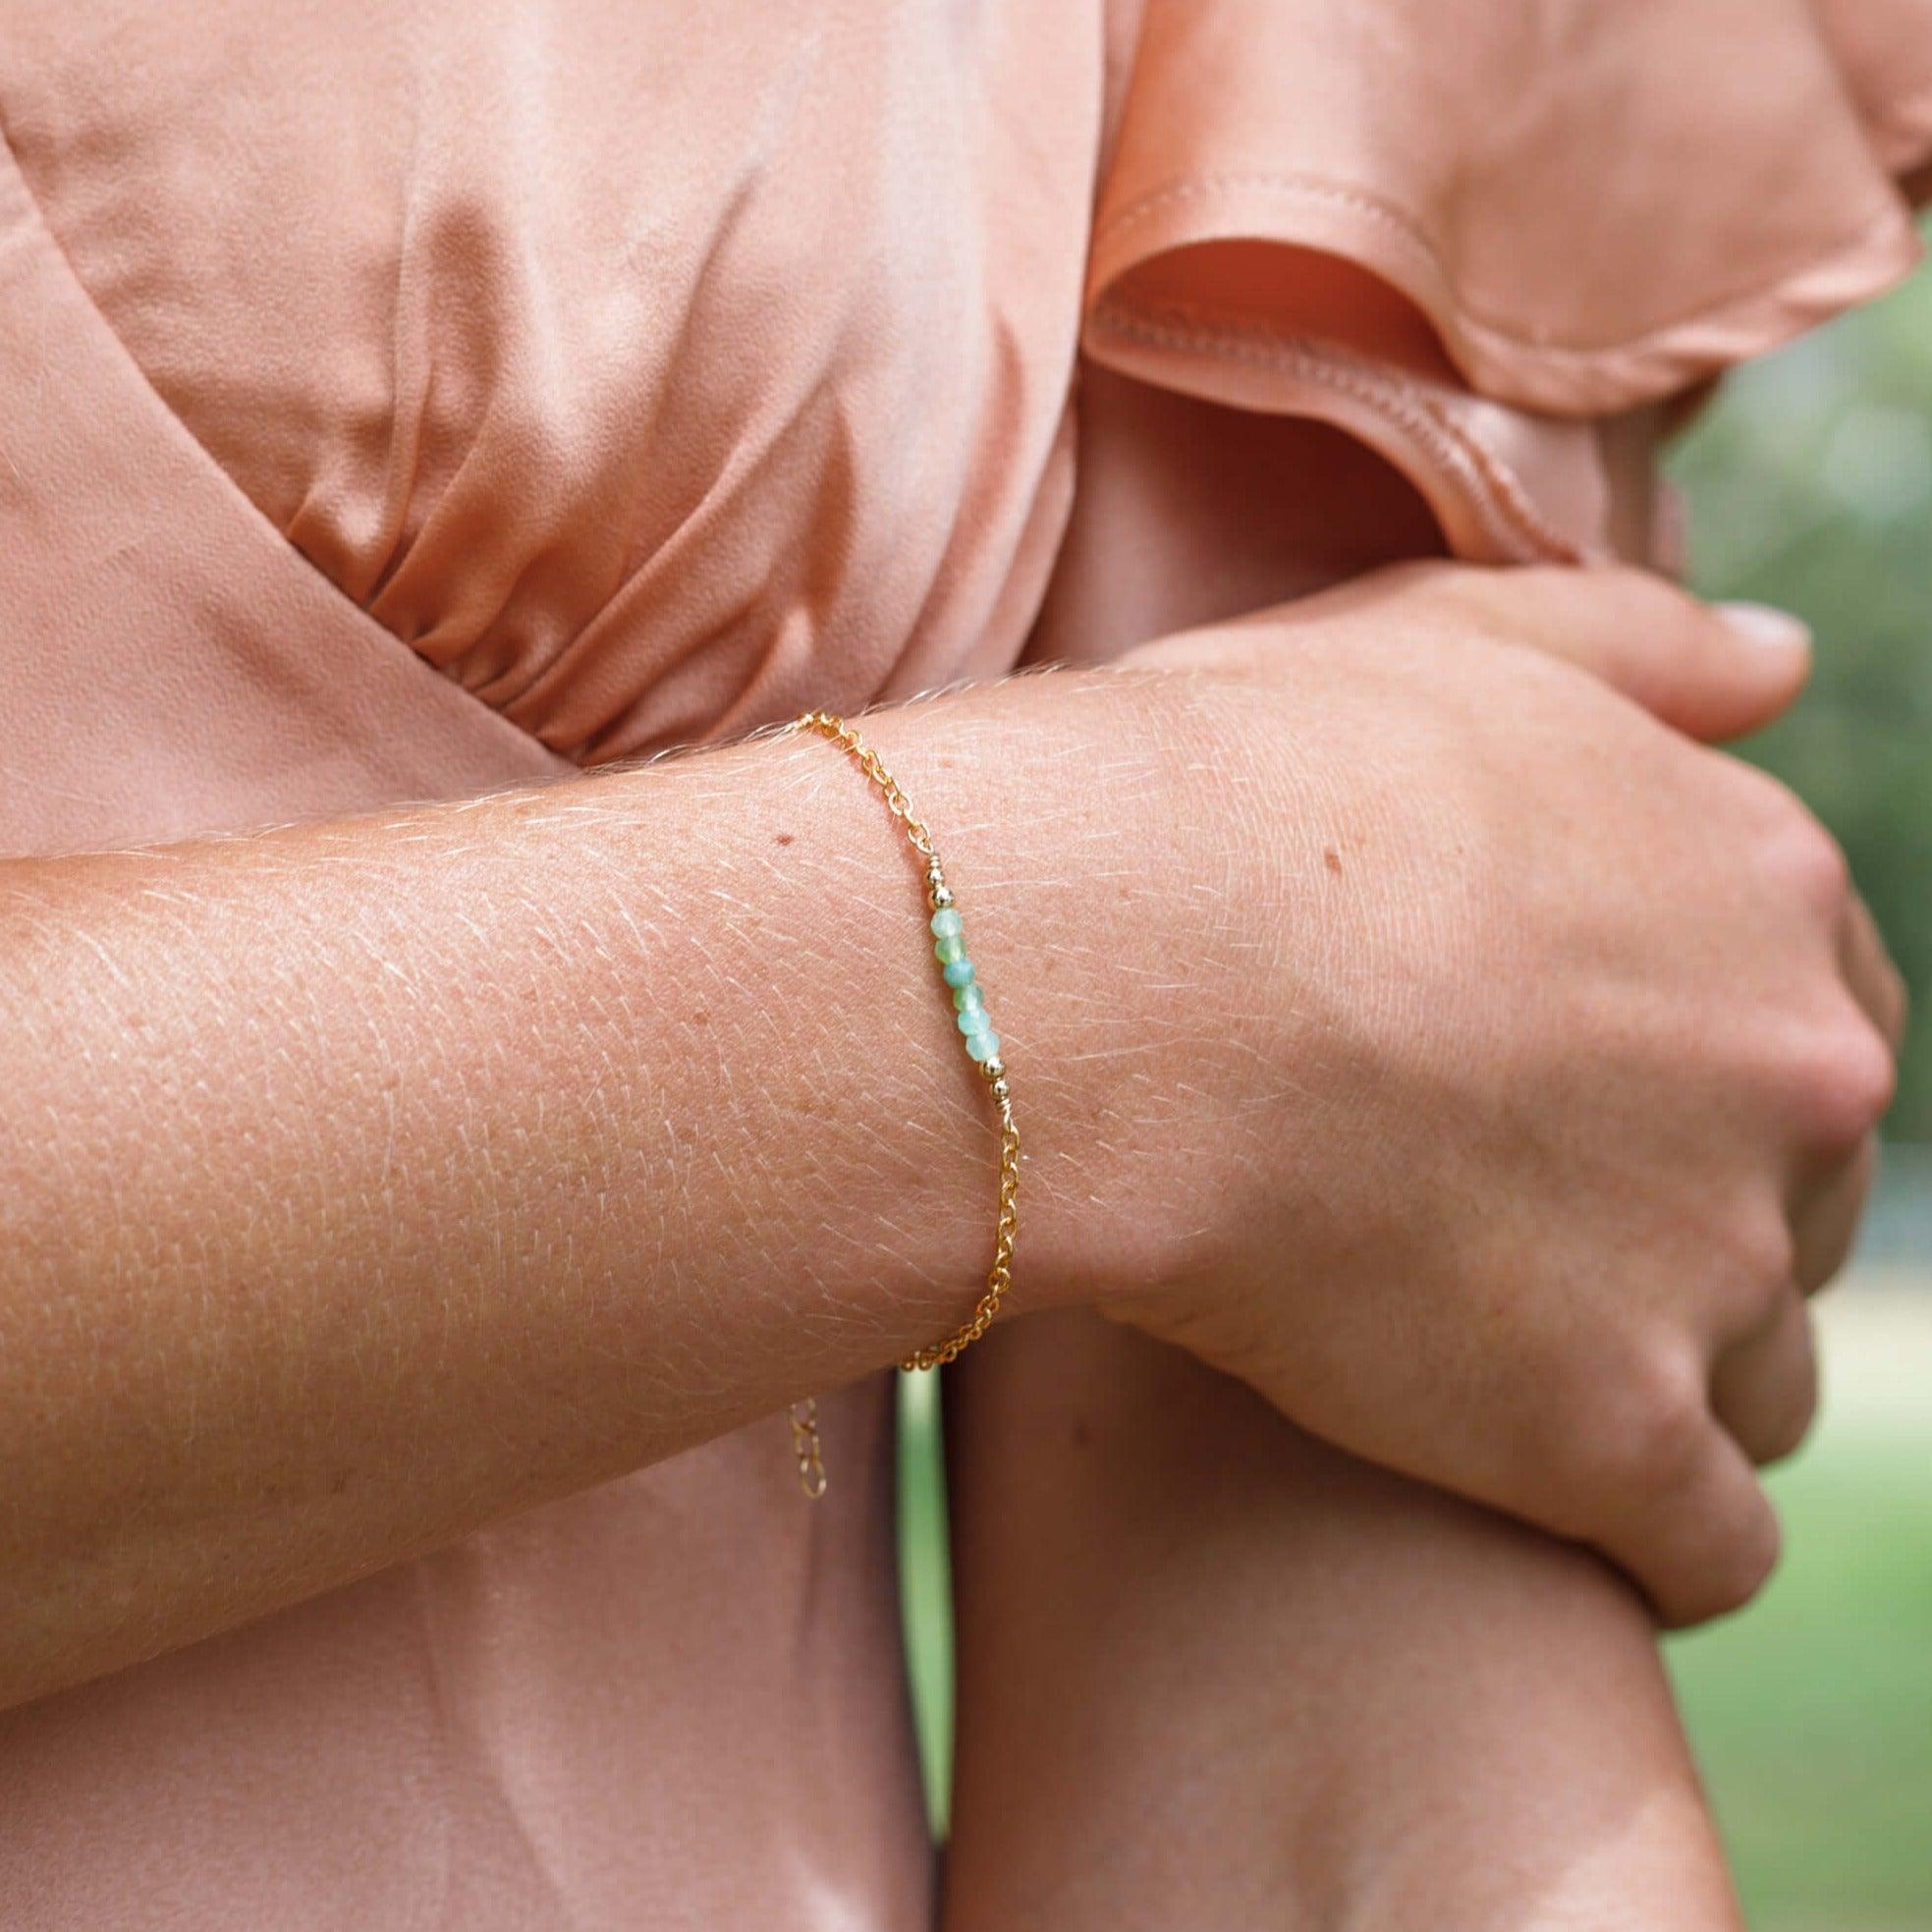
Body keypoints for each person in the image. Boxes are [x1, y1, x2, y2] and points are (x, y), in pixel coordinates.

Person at [0, 1, 1922, 1924]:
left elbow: (1311, 1750)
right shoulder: (1221, 940)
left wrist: (1264, 992)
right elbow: (1328, 971)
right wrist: (1172, 956)